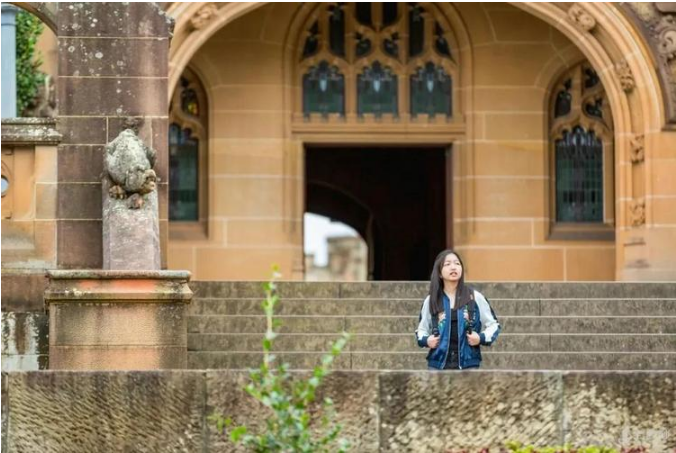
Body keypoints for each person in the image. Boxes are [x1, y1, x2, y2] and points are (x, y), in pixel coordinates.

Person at [415, 249, 500, 370]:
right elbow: (421, 329)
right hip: (438, 365)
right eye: (447, 264)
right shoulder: (432, 300)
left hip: (469, 364)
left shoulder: (474, 297)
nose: (453, 267)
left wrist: (480, 338)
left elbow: (494, 325)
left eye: (457, 263)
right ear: (439, 273)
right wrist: (427, 340)